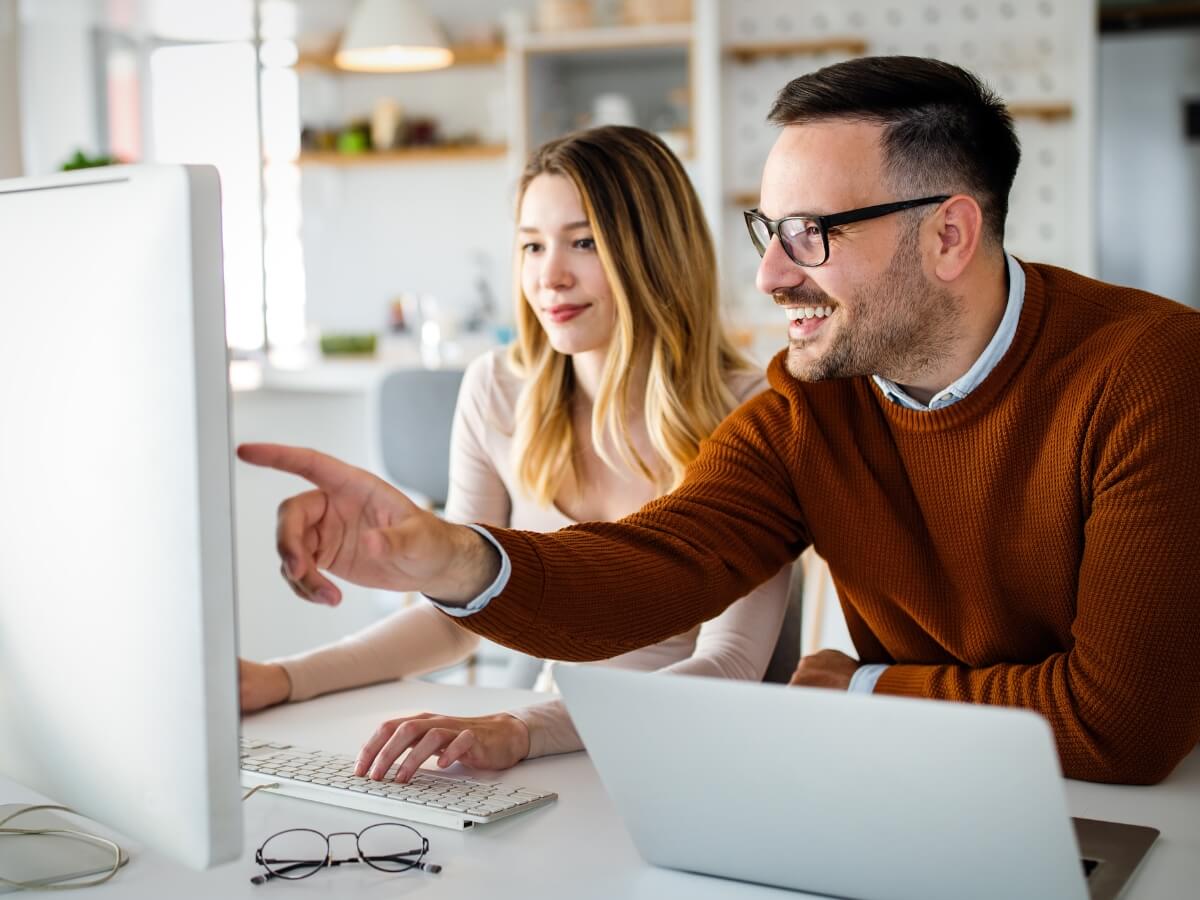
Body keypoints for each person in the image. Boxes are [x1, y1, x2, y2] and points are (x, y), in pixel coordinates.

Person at [240, 57, 1200, 785]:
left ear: (948, 234)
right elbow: (645, 572)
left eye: (810, 235)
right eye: (766, 232)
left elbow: (1122, 726)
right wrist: (442, 555)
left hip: (1137, 812)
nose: (771, 276)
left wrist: (859, 688)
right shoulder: (807, 404)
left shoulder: (1151, 374)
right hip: (923, 774)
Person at [239, 125, 792, 783]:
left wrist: (526, 729)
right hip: (547, 750)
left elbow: (729, 664)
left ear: (655, 251)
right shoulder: (497, 390)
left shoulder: (755, 410)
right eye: (532, 245)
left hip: (682, 756)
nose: (549, 276)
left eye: (584, 242)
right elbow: (453, 621)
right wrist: (284, 679)